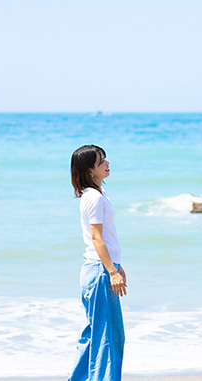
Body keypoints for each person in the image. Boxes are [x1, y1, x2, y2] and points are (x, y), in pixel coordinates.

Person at [68, 145, 127, 381]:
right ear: (90, 169)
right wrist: (112, 271)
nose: (107, 163)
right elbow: (96, 238)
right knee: (109, 337)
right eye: (101, 161)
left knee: (96, 334)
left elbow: (106, 238)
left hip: (99, 268)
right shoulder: (93, 197)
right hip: (99, 271)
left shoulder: (97, 194)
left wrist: (116, 264)